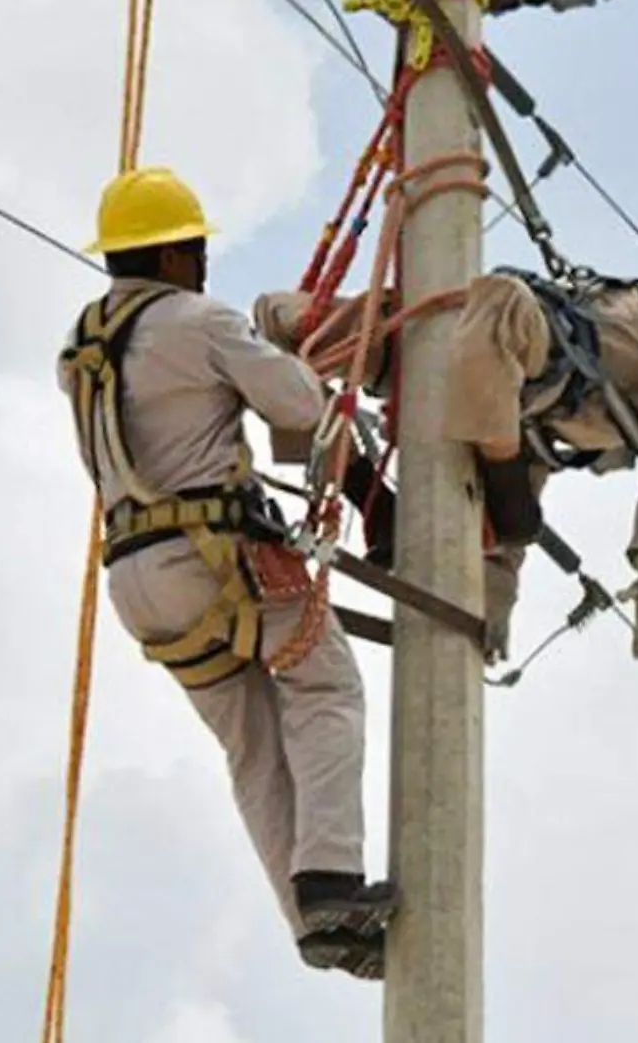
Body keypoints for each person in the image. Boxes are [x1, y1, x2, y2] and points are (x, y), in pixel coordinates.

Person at [56, 166, 394, 980]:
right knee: (324, 683)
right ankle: (331, 883)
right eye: (196, 250)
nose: (205, 264)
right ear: (170, 255)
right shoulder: (197, 319)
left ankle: (315, 920)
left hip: (138, 578)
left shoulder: (81, 347)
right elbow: (304, 405)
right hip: (213, 557)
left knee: (252, 745)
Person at [254, 254, 638, 662]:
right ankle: (365, 493)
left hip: (513, 353)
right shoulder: (614, 295)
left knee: (501, 300)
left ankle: (487, 487)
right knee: (283, 318)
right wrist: (495, 599)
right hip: (467, 359)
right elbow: (527, 467)